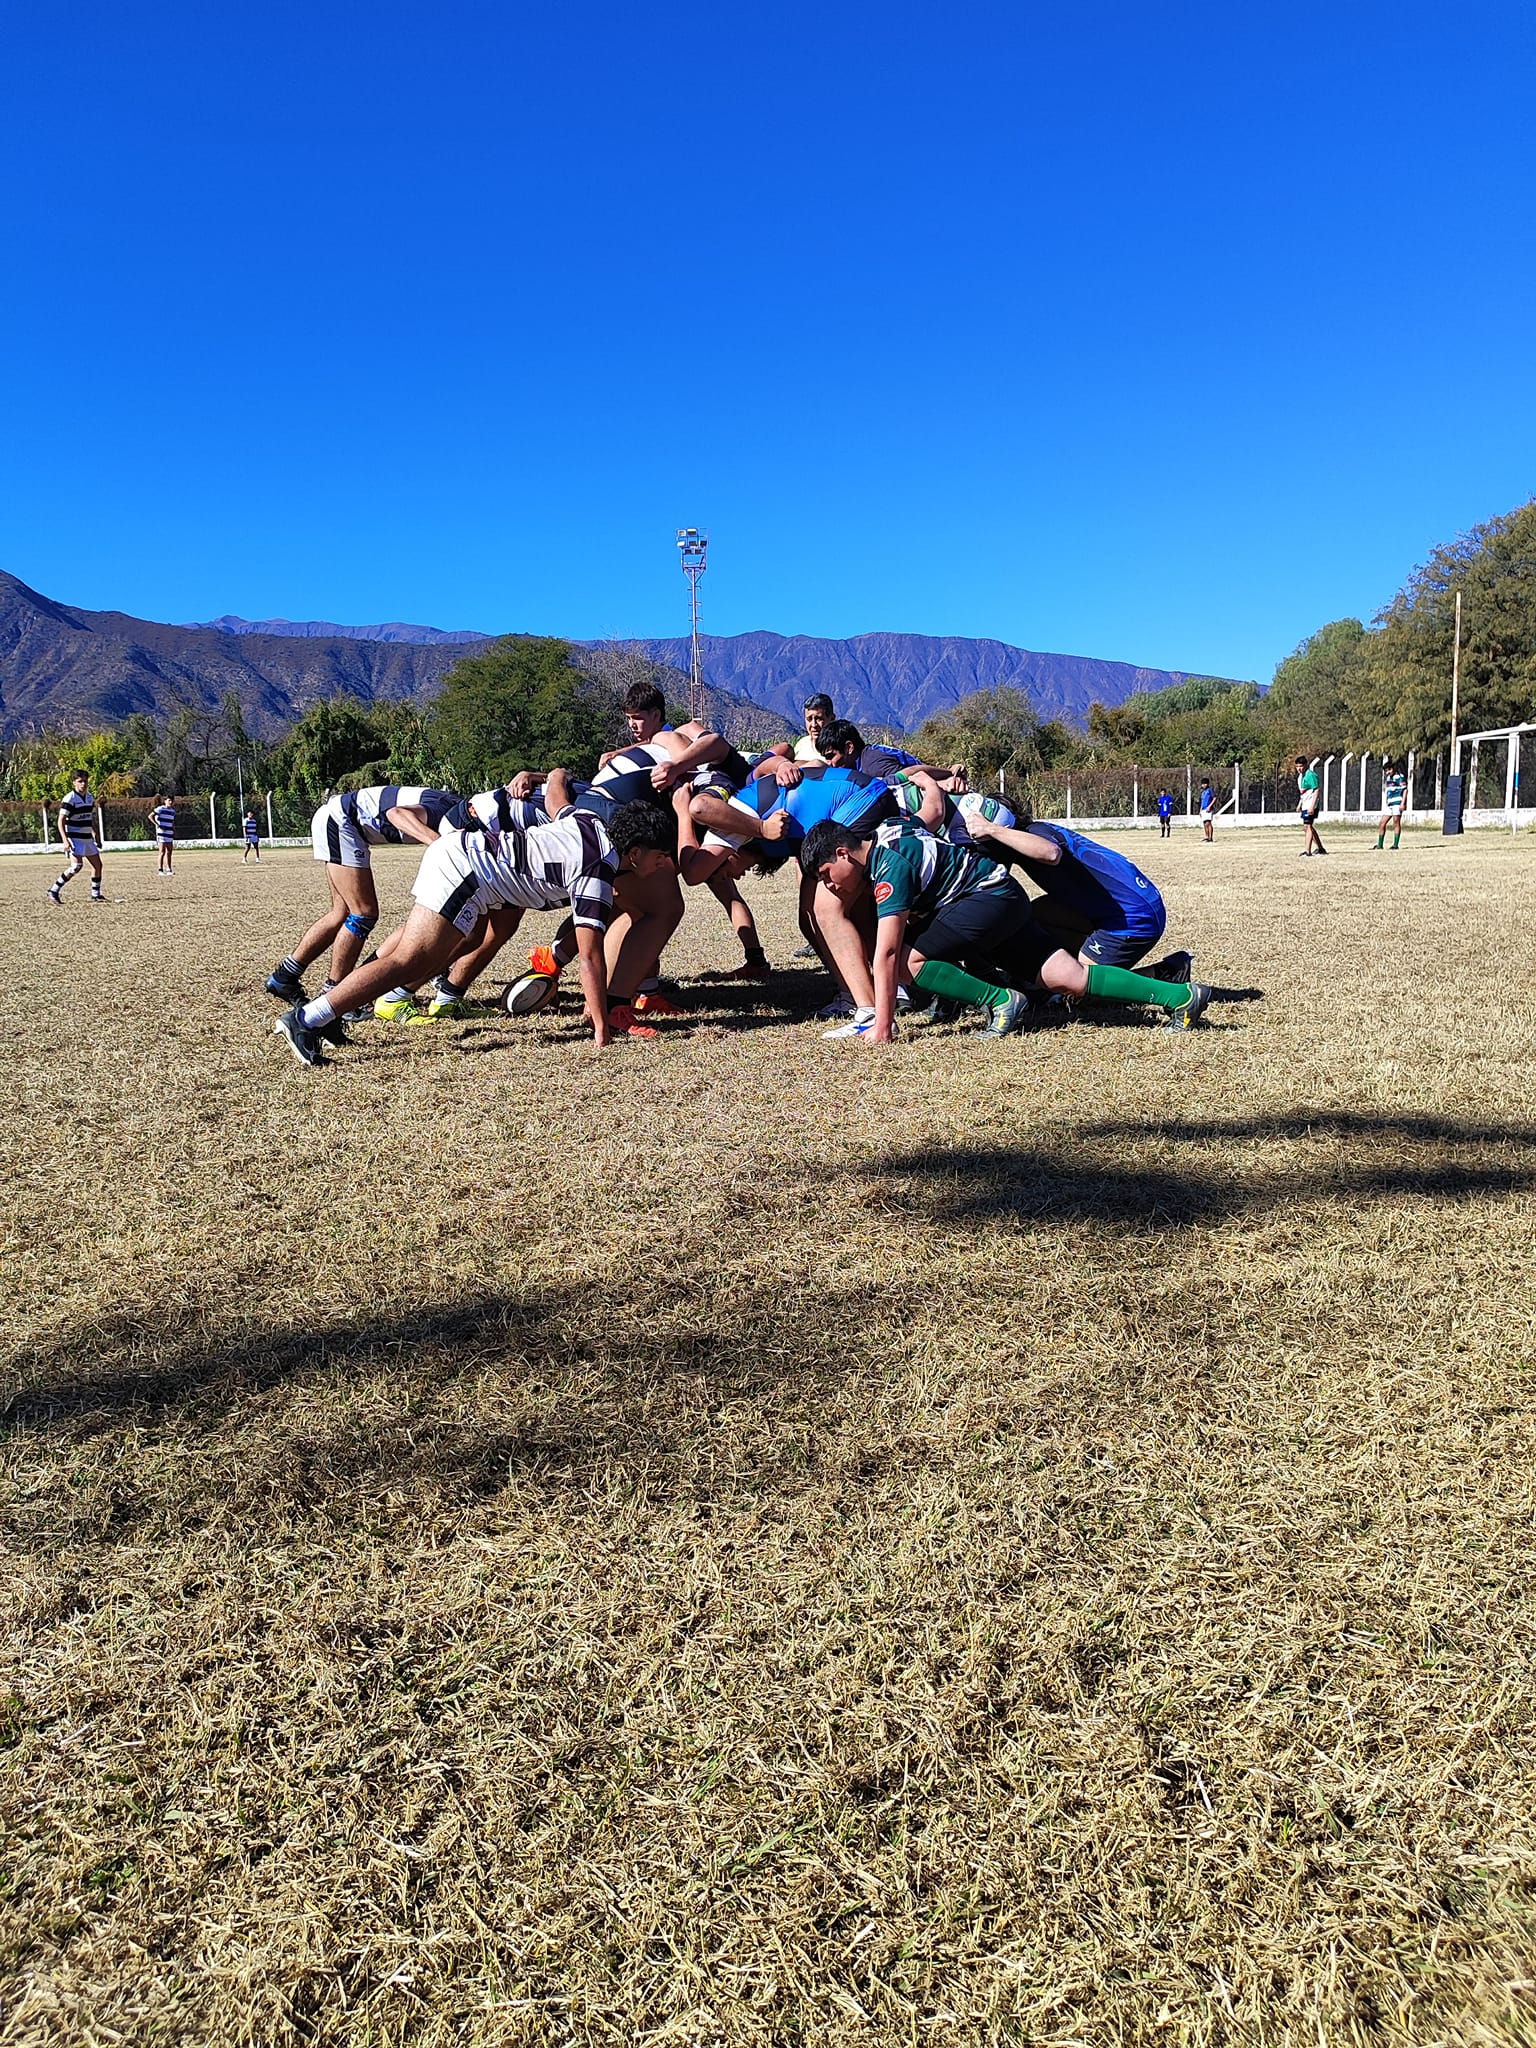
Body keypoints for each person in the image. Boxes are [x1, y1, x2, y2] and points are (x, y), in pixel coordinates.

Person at [274, 787, 675, 1065]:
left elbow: (558, 802)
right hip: (466, 870)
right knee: (409, 962)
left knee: (415, 961)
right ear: (635, 853)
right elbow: (589, 957)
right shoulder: (597, 871)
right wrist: (602, 1032)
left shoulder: (588, 821)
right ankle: (306, 1019)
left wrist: (553, 775)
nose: (664, 866)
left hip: (470, 868)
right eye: (660, 857)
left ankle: (326, 1016)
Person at [800, 818, 1212, 1041]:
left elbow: (888, 955)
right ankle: (1180, 997)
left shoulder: (888, 867)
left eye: (826, 875)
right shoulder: (890, 831)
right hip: (1003, 896)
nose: (831, 886)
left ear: (843, 854)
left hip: (986, 899)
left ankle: (1001, 1002)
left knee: (908, 959)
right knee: (1068, 978)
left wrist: (883, 1026)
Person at [265, 785, 461, 1005]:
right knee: (363, 914)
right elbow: (396, 813)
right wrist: (441, 846)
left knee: (341, 913)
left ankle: (285, 977)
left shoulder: (454, 808)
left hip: (340, 820)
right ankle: (334, 998)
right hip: (342, 820)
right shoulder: (447, 811)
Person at [47, 771, 105, 905]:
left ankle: (95, 895)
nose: (83, 784)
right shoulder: (70, 799)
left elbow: (89, 818)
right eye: (80, 781)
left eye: (85, 781)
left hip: (87, 838)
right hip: (74, 838)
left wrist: (95, 834)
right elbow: (60, 820)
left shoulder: (90, 798)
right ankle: (54, 890)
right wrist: (65, 839)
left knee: (97, 865)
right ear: (74, 782)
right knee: (76, 866)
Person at [1296, 756, 1326, 857]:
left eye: (1301, 766)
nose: (1299, 768)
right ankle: (1320, 848)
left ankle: (1307, 851)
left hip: (1311, 804)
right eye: (1297, 766)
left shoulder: (1310, 775)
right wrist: (1300, 804)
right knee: (1307, 827)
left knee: (1307, 826)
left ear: (1306, 765)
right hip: (1305, 804)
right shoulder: (1300, 777)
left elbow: (1316, 790)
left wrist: (1312, 806)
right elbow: (1303, 792)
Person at [1376, 761, 1407, 850]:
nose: (1387, 773)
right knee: (1382, 823)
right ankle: (1380, 844)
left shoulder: (1400, 777)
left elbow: (1405, 790)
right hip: (1390, 804)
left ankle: (1395, 844)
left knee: (1396, 823)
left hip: (1397, 804)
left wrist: (1403, 803)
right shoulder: (1389, 778)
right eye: (1386, 771)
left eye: (1388, 770)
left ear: (1393, 769)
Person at [149, 794, 177, 874]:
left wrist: (173, 829)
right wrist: (158, 825)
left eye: (172, 801)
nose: (170, 802)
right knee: (162, 851)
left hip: (169, 833)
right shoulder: (160, 809)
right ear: (165, 801)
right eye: (169, 800)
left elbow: (172, 822)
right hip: (162, 833)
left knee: (169, 851)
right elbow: (150, 816)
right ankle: (160, 870)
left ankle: (168, 869)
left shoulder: (172, 811)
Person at [1199, 778, 1216, 842]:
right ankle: (1207, 836)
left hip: (1208, 809)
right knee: (1204, 823)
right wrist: (1200, 810)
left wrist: (1209, 806)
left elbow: (1214, 798)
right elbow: (1202, 801)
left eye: (1205, 783)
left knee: (1208, 823)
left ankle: (1210, 837)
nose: (1203, 785)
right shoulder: (1203, 792)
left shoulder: (1210, 790)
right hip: (1203, 809)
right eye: (1203, 784)